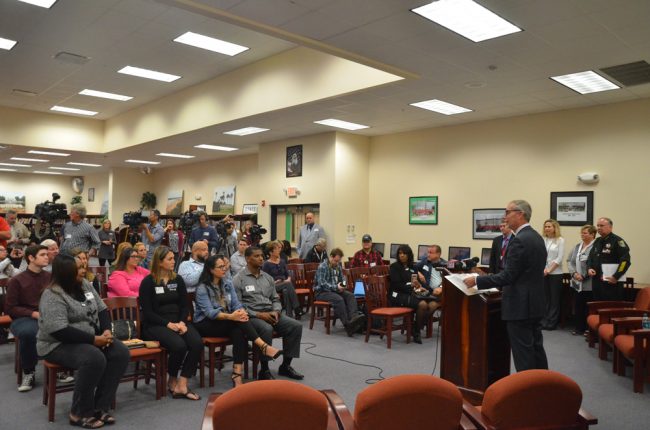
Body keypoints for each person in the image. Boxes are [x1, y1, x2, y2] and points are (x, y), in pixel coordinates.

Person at [37, 253, 129, 428]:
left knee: (120, 353)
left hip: (91, 338)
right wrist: (94, 340)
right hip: (56, 344)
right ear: (65, 272)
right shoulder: (52, 294)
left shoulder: (85, 285)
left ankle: (100, 407)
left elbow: (102, 309)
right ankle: (79, 412)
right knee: (93, 358)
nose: (83, 270)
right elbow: (59, 330)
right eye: (78, 268)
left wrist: (107, 330)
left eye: (82, 266)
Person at [464, 199, 548, 372]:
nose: (505, 216)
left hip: (520, 306)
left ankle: (526, 393)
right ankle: (542, 388)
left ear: (520, 214)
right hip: (535, 303)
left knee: (523, 353)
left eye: (507, 212)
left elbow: (509, 276)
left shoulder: (519, 240)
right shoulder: (537, 237)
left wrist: (478, 280)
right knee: (536, 349)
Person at [193, 255, 283, 387]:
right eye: (220, 267)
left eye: (225, 266)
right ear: (211, 270)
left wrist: (240, 312)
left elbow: (236, 304)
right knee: (238, 324)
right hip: (205, 323)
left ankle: (237, 373)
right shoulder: (203, 288)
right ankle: (263, 346)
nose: (224, 269)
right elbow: (209, 313)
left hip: (226, 321)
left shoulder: (227, 283)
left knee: (238, 332)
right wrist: (232, 316)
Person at [139, 246, 202, 400]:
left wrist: (181, 322)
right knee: (179, 346)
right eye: (170, 259)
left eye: (174, 258)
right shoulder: (148, 282)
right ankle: (172, 378)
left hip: (178, 321)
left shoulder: (177, 279)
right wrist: (168, 324)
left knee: (197, 343)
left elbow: (184, 306)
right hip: (156, 324)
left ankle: (182, 382)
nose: (174, 261)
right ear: (159, 262)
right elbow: (147, 312)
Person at [233, 246, 304, 381]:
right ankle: (264, 370)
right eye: (256, 256)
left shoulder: (268, 278)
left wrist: (276, 311)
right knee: (266, 329)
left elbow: (275, 299)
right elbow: (238, 306)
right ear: (247, 259)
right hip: (252, 316)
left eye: (262, 256)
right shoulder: (238, 279)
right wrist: (258, 314)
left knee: (295, 326)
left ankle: (285, 366)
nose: (261, 258)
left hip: (271, 313)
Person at [6, 245, 51, 391]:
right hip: (23, 317)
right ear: (31, 258)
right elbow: (10, 308)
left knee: (65, 326)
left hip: (46, 315)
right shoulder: (16, 280)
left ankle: (58, 366)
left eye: (47, 254)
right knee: (28, 333)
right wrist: (33, 314)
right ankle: (29, 372)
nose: (47, 257)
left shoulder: (50, 277)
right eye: (43, 254)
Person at [389, 245, 436, 344]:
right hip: (397, 295)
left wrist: (427, 289)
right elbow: (397, 285)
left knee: (429, 304)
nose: (401, 255)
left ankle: (415, 328)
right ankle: (417, 331)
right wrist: (414, 287)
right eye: (400, 253)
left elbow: (418, 282)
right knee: (423, 304)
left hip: (410, 294)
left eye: (404, 253)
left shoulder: (413, 267)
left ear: (409, 255)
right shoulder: (394, 267)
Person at [314, 248, 365, 336]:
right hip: (322, 292)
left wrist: (343, 286)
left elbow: (343, 279)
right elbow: (323, 284)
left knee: (350, 296)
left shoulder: (338, 266)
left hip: (335, 290)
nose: (337, 263)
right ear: (331, 257)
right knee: (339, 299)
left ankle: (354, 318)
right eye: (335, 261)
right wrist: (336, 287)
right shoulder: (323, 266)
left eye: (338, 261)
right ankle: (347, 325)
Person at [587, 217, 631, 301]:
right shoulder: (597, 241)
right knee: (597, 307)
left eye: (602, 225)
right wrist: (589, 268)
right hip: (597, 282)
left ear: (610, 227)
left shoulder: (618, 241)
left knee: (610, 308)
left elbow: (625, 261)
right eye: (598, 225)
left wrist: (616, 276)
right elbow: (590, 257)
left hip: (611, 282)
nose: (599, 228)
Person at [567, 225, 596, 336]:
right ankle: (579, 328)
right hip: (577, 282)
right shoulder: (577, 246)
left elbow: (594, 264)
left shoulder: (595, 247)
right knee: (578, 306)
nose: (582, 235)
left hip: (589, 283)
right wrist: (574, 273)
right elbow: (570, 260)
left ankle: (589, 329)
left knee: (588, 308)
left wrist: (583, 276)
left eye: (585, 233)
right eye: (582, 233)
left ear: (592, 234)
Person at [262, 240, 301, 319]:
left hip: (284, 284)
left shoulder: (282, 261)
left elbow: (287, 274)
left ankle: (289, 315)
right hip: (273, 285)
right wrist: (275, 281)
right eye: (276, 249)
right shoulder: (266, 264)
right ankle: (297, 308)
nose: (279, 250)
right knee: (288, 285)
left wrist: (288, 279)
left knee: (286, 291)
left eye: (278, 248)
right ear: (270, 252)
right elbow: (264, 279)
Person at [540, 219, 565, 331]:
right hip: (543, 272)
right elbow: (540, 256)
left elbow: (559, 258)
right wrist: (543, 269)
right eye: (545, 226)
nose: (547, 228)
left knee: (554, 300)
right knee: (545, 298)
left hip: (555, 273)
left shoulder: (560, 240)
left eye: (549, 226)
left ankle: (552, 322)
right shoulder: (543, 239)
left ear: (555, 228)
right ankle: (544, 321)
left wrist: (549, 270)